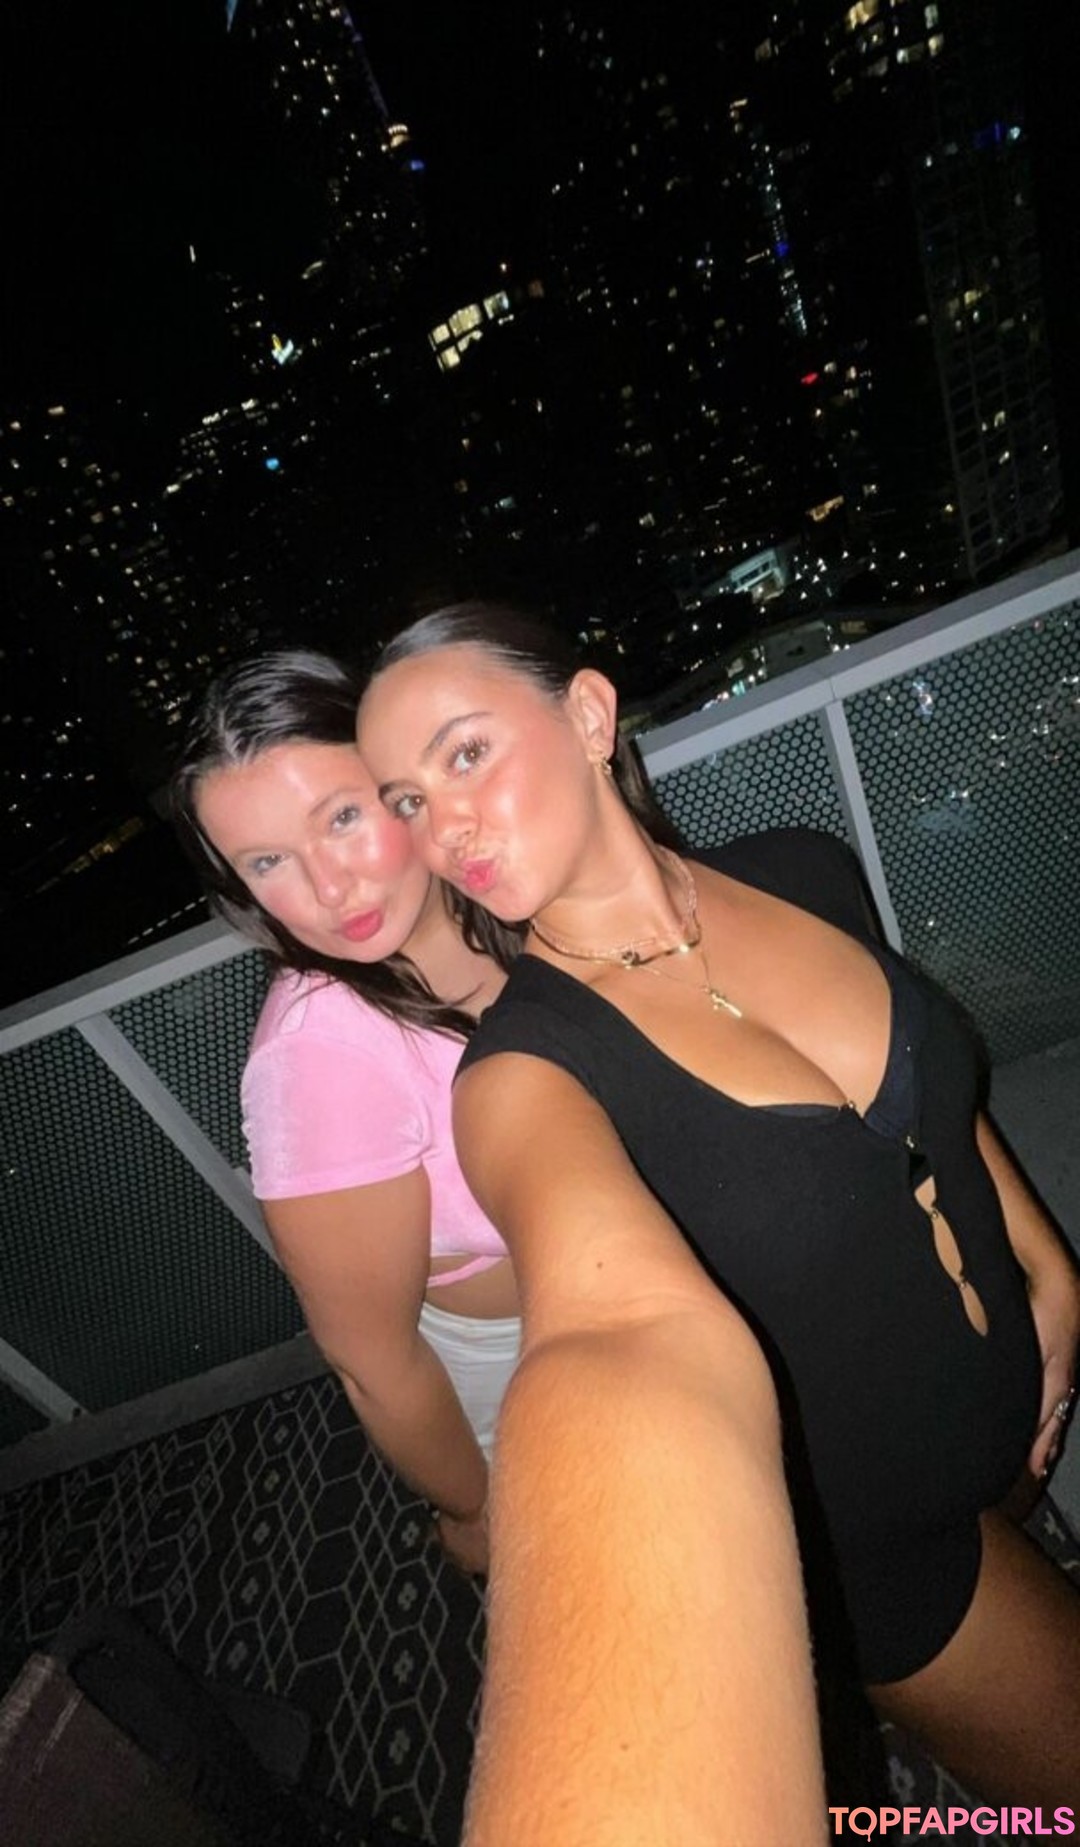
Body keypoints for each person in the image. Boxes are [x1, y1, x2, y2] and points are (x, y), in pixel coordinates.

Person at [357, 602, 1080, 1810]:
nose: (445, 826)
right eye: (408, 802)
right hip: (871, 1540)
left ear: (590, 715)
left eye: (465, 753)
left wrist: (1050, 1269)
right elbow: (607, 1337)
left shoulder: (802, 867)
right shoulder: (523, 1082)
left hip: (1022, 1389)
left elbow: (931, 1111)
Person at [170, 650, 523, 1574]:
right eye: (268, 862)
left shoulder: (509, 885)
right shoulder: (318, 1058)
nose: (329, 890)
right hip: (522, 1366)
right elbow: (375, 1362)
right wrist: (478, 1510)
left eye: (342, 817)